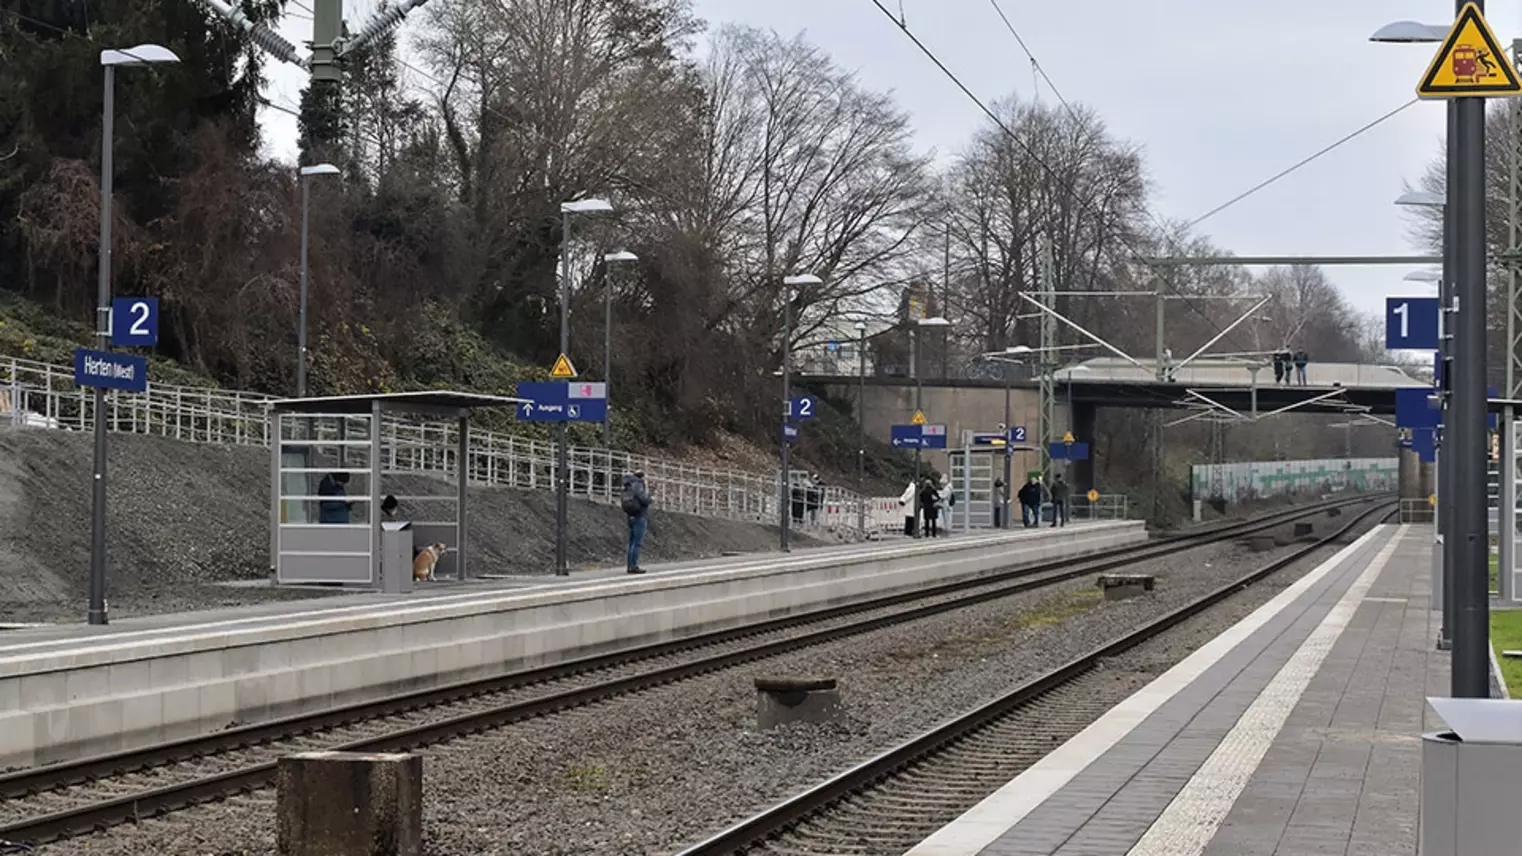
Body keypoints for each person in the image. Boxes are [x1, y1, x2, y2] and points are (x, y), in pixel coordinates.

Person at [620, 470, 652, 574]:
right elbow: (643, 499)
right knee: (637, 543)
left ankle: (630, 565)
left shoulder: (627, 484)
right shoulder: (638, 484)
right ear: (642, 477)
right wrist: (650, 498)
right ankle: (633, 566)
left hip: (630, 515)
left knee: (631, 541)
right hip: (639, 515)